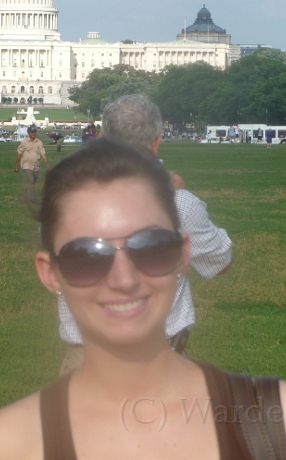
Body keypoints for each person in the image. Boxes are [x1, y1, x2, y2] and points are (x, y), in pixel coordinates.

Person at [0, 139, 286, 460]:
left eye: (151, 248)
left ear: (182, 254)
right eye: (87, 256)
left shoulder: (278, 422)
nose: (124, 280)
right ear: (50, 273)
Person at [57, 94, 230, 371]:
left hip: (85, 361)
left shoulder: (65, 202)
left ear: (101, 138)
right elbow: (221, 261)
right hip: (161, 358)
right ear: (157, 142)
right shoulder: (179, 203)